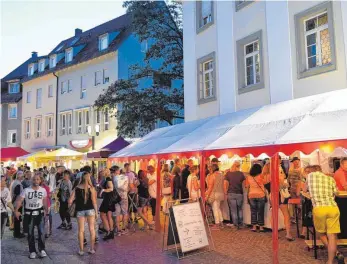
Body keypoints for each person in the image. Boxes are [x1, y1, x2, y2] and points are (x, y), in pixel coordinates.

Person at [306, 165, 344, 264]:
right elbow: (337, 193)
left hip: (319, 209)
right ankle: (330, 261)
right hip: (333, 208)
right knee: (332, 236)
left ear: (311, 171)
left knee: (321, 234)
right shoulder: (330, 179)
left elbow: (305, 190)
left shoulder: (310, 177)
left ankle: (336, 253)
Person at [14, 172, 48, 259]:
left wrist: (46, 212)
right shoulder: (26, 190)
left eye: (37, 179)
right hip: (29, 214)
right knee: (30, 233)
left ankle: (41, 250)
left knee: (41, 232)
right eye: (34, 179)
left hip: (39, 214)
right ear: (31, 180)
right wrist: (16, 210)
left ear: (40, 180)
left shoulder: (43, 190)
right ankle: (32, 251)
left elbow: (44, 201)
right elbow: (19, 200)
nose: (36, 181)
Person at [68, 171, 98, 255]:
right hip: (90, 210)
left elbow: (70, 200)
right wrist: (96, 213)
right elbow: (94, 201)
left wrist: (73, 202)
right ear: (89, 178)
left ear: (81, 178)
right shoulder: (91, 188)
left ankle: (81, 250)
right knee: (92, 229)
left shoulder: (76, 188)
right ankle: (92, 249)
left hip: (80, 210)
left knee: (81, 230)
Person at [224, 161, 246, 227]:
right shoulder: (241, 174)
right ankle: (241, 223)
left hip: (230, 193)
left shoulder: (228, 173)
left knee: (233, 210)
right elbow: (245, 184)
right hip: (239, 193)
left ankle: (235, 224)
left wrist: (225, 192)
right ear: (239, 166)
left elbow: (225, 184)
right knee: (239, 209)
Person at [245, 164, 266, 232]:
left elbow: (246, 186)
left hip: (251, 195)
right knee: (260, 212)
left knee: (253, 211)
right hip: (261, 195)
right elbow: (265, 183)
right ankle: (261, 227)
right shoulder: (261, 176)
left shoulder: (248, 177)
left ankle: (254, 227)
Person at [111, 166, 129, 236]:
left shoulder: (113, 178)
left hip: (116, 197)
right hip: (124, 197)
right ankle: (124, 228)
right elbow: (127, 187)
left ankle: (118, 229)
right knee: (124, 213)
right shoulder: (126, 177)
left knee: (117, 214)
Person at [279, 165, 295, 241]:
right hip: (281, 195)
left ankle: (275, 233)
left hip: (272, 195)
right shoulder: (279, 174)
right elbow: (282, 185)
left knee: (273, 214)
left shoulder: (267, 174)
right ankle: (288, 234)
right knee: (286, 215)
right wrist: (286, 184)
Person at [206, 164, 225, 229]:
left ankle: (217, 224)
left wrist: (207, 195)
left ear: (212, 169)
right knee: (218, 208)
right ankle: (221, 222)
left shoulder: (212, 176)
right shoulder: (222, 175)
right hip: (221, 193)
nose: (209, 170)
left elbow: (210, 187)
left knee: (215, 209)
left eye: (210, 169)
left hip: (214, 194)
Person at [99, 168, 114, 240]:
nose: (100, 172)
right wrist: (101, 187)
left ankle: (108, 231)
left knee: (102, 214)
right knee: (108, 215)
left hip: (108, 199)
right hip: (109, 199)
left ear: (105, 172)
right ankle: (111, 232)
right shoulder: (106, 179)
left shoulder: (108, 179)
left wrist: (103, 190)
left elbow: (111, 188)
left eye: (102, 171)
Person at [334, 157, 347, 239]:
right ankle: (343, 237)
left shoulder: (343, 172)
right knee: (343, 218)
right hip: (342, 198)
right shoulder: (340, 173)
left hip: (343, 197)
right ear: (341, 164)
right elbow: (345, 187)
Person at [12, 171, 25, 238]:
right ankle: (17, 234)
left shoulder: (15, 182)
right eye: (22, 176)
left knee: (17, 219)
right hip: (17, 204)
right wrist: (12, 203)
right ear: (20, 176)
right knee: (17, 219)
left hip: (16, 203)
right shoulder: (18, 184)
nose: (23, 177)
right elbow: (16, 195)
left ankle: (16, 233)